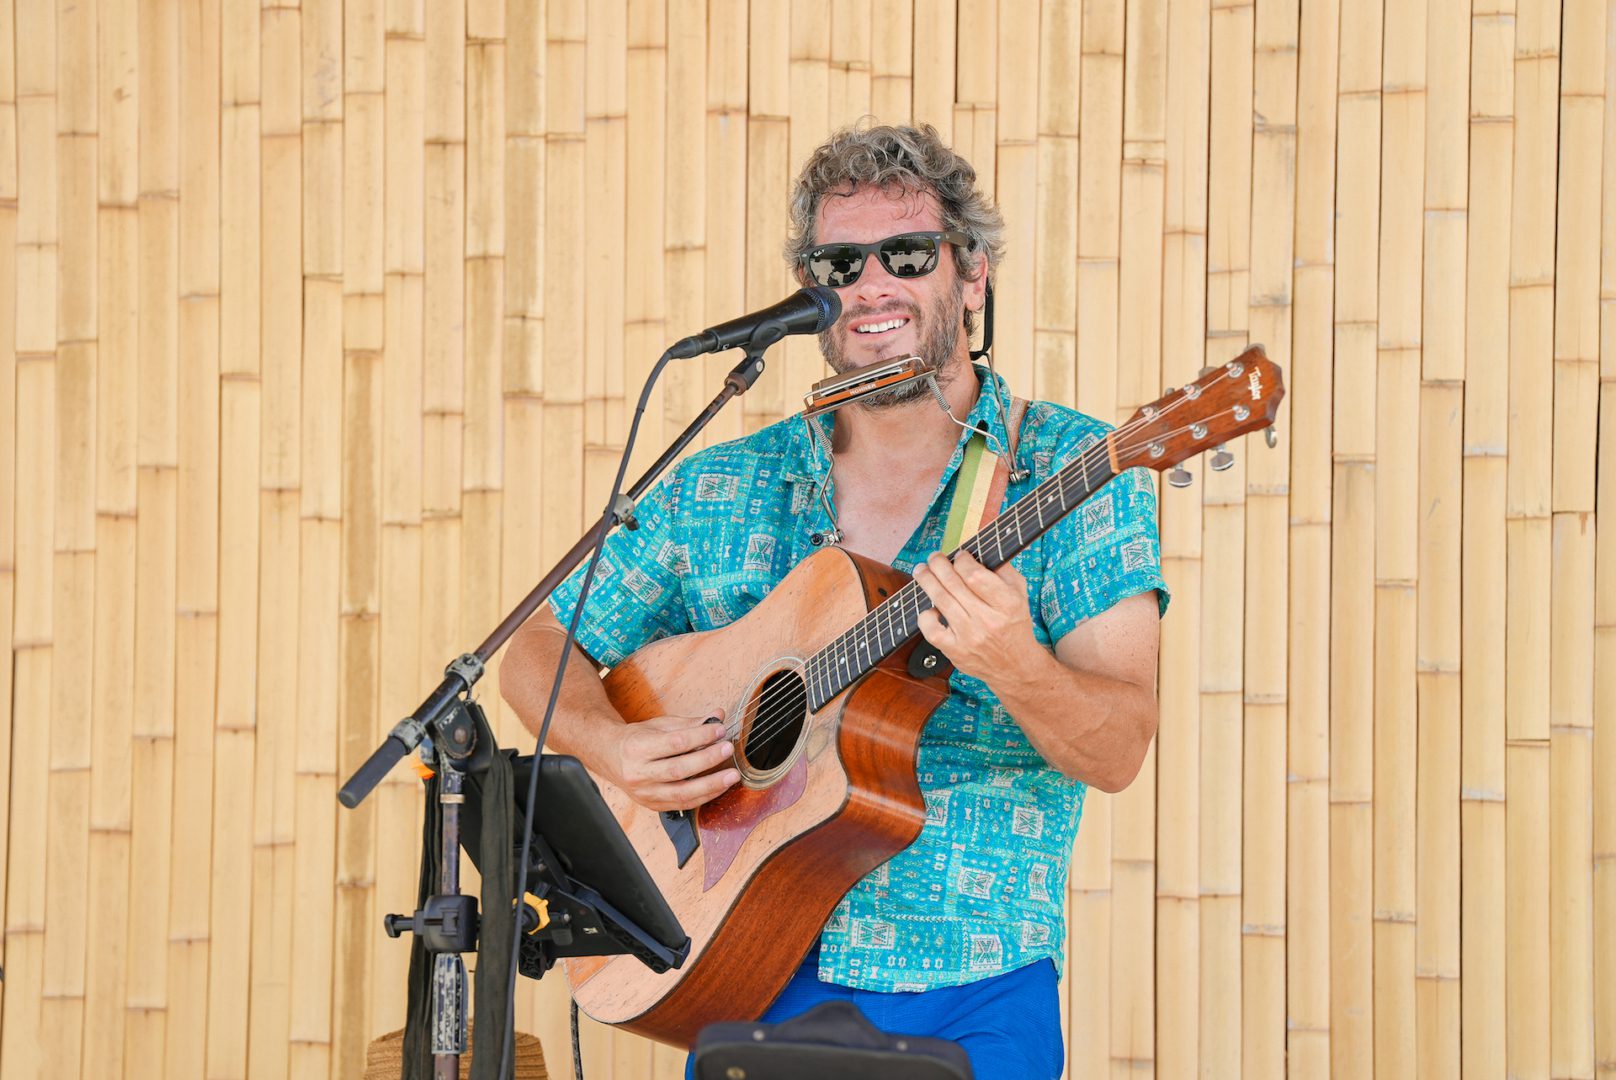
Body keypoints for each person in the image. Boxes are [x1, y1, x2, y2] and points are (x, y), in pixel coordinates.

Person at [500, 122, 1167, 1080]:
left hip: (976, 988)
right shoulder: (724, 484)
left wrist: (1014, 662)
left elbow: (1117, 748)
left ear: (971, 274)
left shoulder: (1076, 470)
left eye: (907, 254)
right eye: (840, 264)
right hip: (746, 968)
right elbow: (534, 640)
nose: (873, 286)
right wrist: (612, 745)